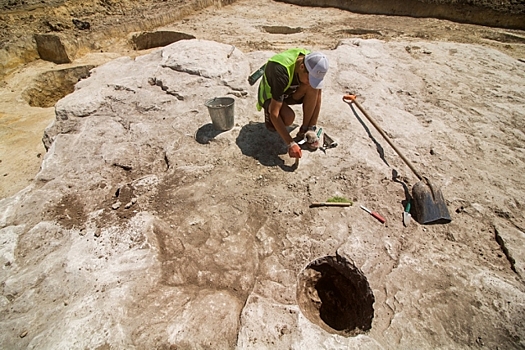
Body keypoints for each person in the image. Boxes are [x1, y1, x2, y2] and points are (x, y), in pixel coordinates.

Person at [256, 48, 329, 159]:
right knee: (288, 117)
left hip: (289, 92)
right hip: (271, 95)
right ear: (302, 67)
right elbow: (275, 114)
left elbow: (318, 96)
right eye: (309, 78)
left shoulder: (311, 61)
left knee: (314, 88)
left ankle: (306, 129)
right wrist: (291, 143)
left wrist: (311, 128)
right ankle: (268, 110)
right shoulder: (279, 70)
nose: (311, 81)